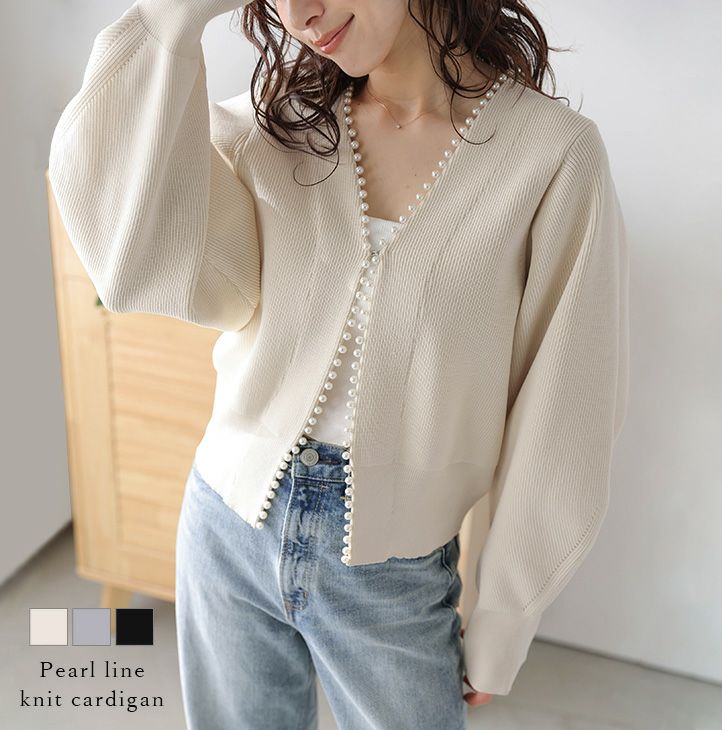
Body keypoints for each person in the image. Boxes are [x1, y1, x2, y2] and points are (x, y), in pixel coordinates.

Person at [48, 0, 629, 727]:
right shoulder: (277, 123)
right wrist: (172, 18)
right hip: (226, 526)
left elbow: (566, 407)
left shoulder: (554, 156)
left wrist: (506, 614)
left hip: (391, 574)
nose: (300, 14)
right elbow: (131, 260)